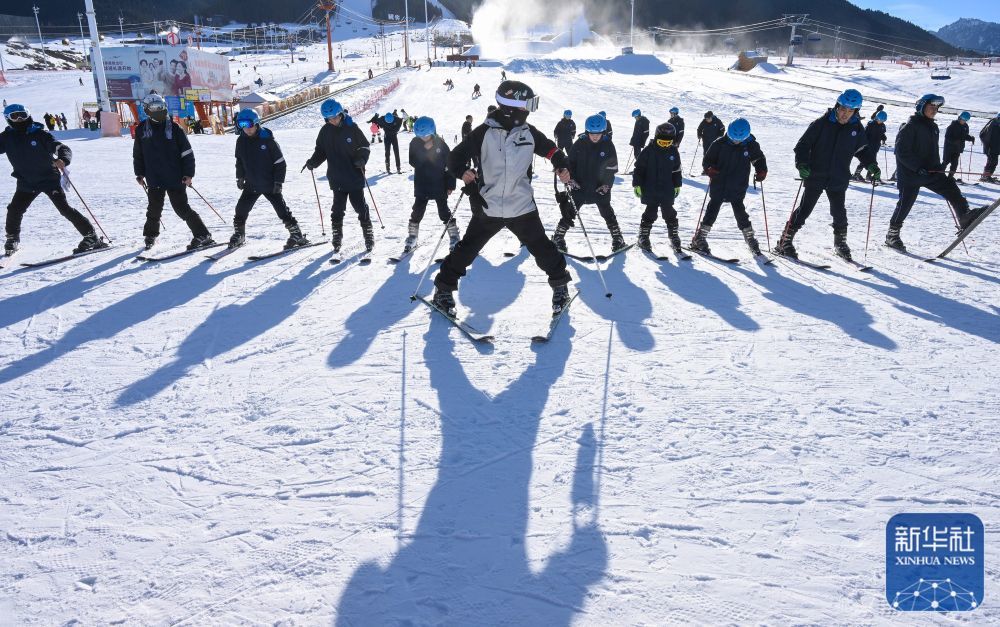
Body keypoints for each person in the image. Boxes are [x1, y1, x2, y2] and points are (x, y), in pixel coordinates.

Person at [431, 80, 574, 317]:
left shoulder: (529, 132)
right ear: (512, 107)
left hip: (521, 206)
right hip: (489, 206)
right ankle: (443, 290)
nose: (529, 110)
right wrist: (462, 173)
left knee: (543, 249)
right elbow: (454, 158)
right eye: (527, 105)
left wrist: (561, 165)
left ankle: (560, 286)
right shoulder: (483, 133)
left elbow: (552, 150)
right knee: (467, 250)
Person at [775, 89, 881, 261]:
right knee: (804, 210)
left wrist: (871, 165)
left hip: (838, 177)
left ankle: (840, 243)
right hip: (816, 174)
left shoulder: (856, 128)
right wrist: (802, 164)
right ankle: (784, 241)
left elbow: (863, 151)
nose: (845, 114)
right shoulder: (821, 124)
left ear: (856, 111)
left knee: (839, 212)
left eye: (850, 110)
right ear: (837, 106)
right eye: (843, 109)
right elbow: (802, 146)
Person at [885, 94, 989, 251]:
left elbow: (932, 152)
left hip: (930, 172)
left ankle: (964, 216)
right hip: (911, 175)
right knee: (905, 204)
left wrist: (938, 167)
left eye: (936, 108)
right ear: (921, 107)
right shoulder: (910, 126)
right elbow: (901, 152)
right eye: (931, 106)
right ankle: (892, 235)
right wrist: (917, 167)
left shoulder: (932, 127)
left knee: (950, 186)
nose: (934, 110)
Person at [1, 104, 106, 255]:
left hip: (49, 179)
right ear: (8, 119)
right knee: (14, 209)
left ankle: (91, 237)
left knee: (64, 209)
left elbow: (62, 148)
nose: (19, 119)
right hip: (26, 181)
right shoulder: (6, 137)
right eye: (15, 116)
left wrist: (63, 159)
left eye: (22, 115)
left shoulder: (40, 134)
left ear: (28, 115)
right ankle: (12, 239)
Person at [133, 94, 214, 250]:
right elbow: (138, 154)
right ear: (147, 110)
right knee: (154, 209)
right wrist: (140, 173)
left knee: (181, 208)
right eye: (156, 108)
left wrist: (189, 174)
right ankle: (150, 235)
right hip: (154, 177)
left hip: (175, 177)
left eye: (162, 107)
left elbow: (187, 153)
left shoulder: (174, 128)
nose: (160, 111)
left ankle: (202, 234)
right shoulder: (142, 129)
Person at [303, 98, 373, 253]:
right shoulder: (325, 131)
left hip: (354, 176)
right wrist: (313, 162)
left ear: (341, 114)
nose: (333, 121)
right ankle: (337, 236)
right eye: (329, 119)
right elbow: (321, 151)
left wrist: (361, 159)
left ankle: (368, 234)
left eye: (335, 117)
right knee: (337, 210)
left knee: (360, 207)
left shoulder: (352, 128)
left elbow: (365, 146)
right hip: (336, 177)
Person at [690, 118, 768, 256]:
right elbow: (707, 160)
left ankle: (750, 238)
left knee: (740, 213)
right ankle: (699, 238)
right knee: (712, 210)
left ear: (747, 136)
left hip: (738, 184)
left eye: (739, 140)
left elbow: (758, 159)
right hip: (719, 183)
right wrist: (709, 169)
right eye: (733, 138)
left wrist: (761, 170)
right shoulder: (719, 144)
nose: (736, 142)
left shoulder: (750, 145)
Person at [230, 108, 306, 249]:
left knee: (282, 211)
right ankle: (239, 235)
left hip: (270, 184)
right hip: (251, 184)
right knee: (240, 209)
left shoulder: (268, 140)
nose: (246, 129)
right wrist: (240, 177)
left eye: (248, 124)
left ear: (257, 123)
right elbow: (239, 161)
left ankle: (297, 235)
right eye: (241, 125)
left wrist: (278, 182)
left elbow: (280, 164)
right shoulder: (241, 141)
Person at [559, 114, 623, 252]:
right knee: (570, 211)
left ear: (603, 132)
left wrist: (607, 185)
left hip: (600, 188)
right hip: (580, 186)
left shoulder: (608, 145)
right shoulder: (579, 144)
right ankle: (558, 237)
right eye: (592, 133)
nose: (595, 136)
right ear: (587, 131)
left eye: (598, 133)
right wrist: (571, 179)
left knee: (607, 212)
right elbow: (570, 164)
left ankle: (618, 238)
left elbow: (611, 169)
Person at [403, 116, 459, 254]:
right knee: (417, 211)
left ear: (433, 131)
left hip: (439, 184)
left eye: (427, 136)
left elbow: (450, 166)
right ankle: (412, 236)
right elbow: (413, 162)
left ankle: (454, 236)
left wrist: (451, 184)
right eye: (421, 136)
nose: (424, 138)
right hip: (422, 184)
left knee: (444, 212)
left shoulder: (441, 144)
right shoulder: (415, 143)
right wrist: (424, 150)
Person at [633, 122, 683, 253]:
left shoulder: (673, 152)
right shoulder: (648, 151)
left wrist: (677, 184)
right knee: (650, 212)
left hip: (667, 188)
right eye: (662, 142)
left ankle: (673, 236)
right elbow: (639, 169)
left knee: (669, 213)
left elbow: (676, 170)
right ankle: (643, 236)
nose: (665, 145)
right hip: (650, 188)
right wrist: (637, 184)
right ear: (656, 139)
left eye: (668, 143)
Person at [853, 110, 888, 181]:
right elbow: (864, 134)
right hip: (868, 146)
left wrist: (883, 137)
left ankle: (869, 175)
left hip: (876, 146)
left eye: (882, 120)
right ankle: (856, 174)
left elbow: (881, 133)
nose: (880, 121)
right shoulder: (871, 124)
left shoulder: (882, 126)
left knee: (873, 162)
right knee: (865, 161)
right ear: (876, 118)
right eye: (879, 119)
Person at [942, 111, 973, 181]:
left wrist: (970, 138)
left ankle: (950, 177)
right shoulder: (952, 126)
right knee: (945, 162)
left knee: (955, 164)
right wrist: (954, 141)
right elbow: (947, 137)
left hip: (958, 148)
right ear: (959, 118)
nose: (964, 121)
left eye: (966, 120)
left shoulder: (965, 126)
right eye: (963, 119)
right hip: (949, 148)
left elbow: (964, 136)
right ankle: (939, 175)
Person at [980, 112, 1000, 183]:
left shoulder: (997, 125)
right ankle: (985, 176)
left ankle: (988, 175)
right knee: (991, 161)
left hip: (996, 148)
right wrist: (987, 146)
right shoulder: (993, 125)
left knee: (994, 162)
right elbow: (984, 136)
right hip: (990, 148)